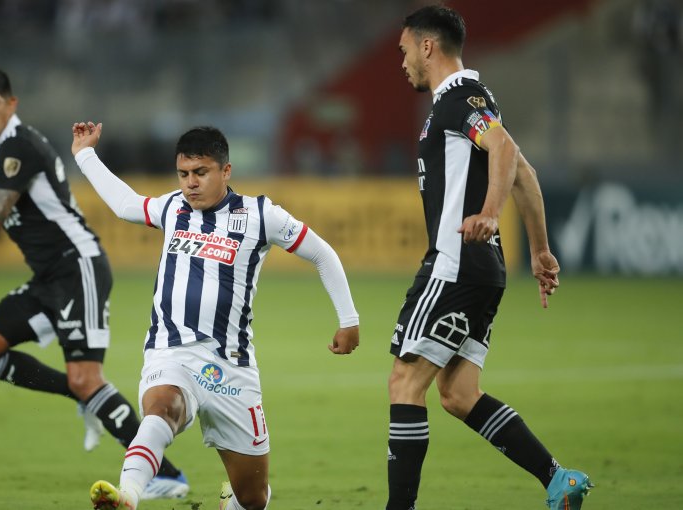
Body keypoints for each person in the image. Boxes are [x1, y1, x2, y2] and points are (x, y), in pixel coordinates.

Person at [0, 68, 188, 499]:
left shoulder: (19, 145)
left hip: (77, 267)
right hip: (47, 277)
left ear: (11, 104)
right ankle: (87, 396)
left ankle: (168, 474)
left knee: (89, 378)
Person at [70, 122, 360, 510]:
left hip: (232, 365)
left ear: (225, 171)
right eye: (184, 174)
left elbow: (322, 253)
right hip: (171, 352)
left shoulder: (261, 215)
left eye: (201, 173)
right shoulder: (172, 207)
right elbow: (126, 204)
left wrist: (349, 319)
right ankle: (128, 496)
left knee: (253, 498)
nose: (191, 183)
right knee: (162, 407)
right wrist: (84, 154)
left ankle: (231, 501)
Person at [388, 6, 593, 510]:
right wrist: (542, 250)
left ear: (427, 46)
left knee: (405, 380)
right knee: (458, 393)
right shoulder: (469, 101)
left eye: (405, 50)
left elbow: (501, 149)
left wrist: (487, 212)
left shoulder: (459, 97)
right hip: (485, 269)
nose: (403, 62)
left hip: (456, 261)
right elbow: (523, 169)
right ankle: (556, 478)